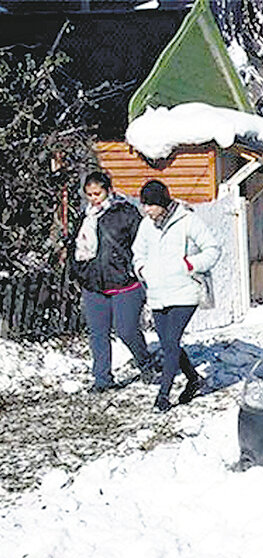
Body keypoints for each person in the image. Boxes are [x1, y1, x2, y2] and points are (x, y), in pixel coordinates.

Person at [132, 179, 220, 413]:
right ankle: (193, 380)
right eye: (144, 205)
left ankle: (163, 395)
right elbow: (138, 253)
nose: (146, 210)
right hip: (158, 293)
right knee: (168, 343)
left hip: (185, 292)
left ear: (162, 202)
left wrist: (189, 264)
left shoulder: (187, 221)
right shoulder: (146, 226)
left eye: (150, 204)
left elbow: (213, 249)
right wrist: (142, 269)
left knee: (170, 344)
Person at [71, 171, 154, 392]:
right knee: (98, 333)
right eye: (89, 194)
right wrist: (79, 271)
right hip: (94, 284)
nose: (93, 199)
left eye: (97, 193)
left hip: (124, 282)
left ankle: (146, 362)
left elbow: (143, 242)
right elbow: (77, 247)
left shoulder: (125, 213)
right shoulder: (85, 217)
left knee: (126, 329)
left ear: (108, 190)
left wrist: (137, 268)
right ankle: (102, 380)